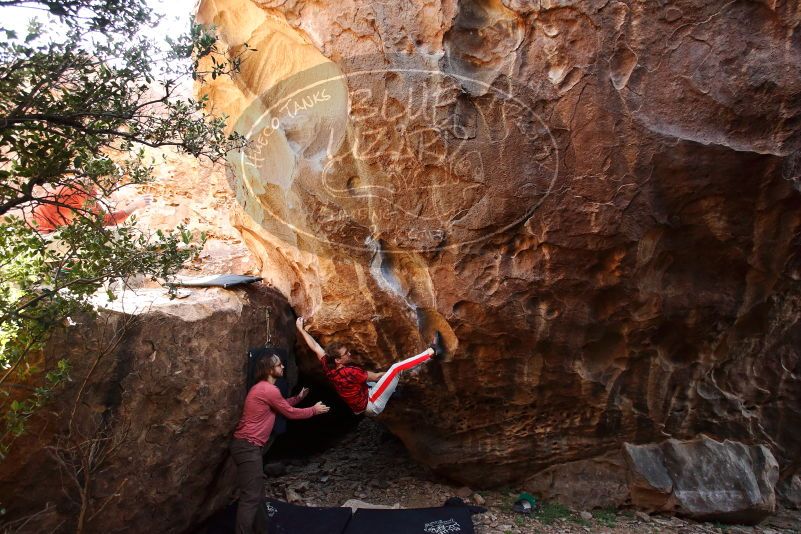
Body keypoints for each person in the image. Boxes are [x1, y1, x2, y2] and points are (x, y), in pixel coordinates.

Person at [230, 352, 330, 534]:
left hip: (248, 447)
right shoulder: (268, 390)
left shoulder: (264, 389)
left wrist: (299, 397)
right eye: (278, 365)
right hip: (247, 446)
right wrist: (314, 410)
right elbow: (290, 413)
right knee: (251, 498)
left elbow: (282, 404)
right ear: (269, 369)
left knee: (257, 496)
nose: (282, 367)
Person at [295, 316, 445, 416]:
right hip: (372, 404)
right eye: (346, 354)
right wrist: (392, 376)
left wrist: (301, 330)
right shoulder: (351, 371)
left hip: (360, 402)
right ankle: (432, 351)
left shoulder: (328, 366)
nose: (350, 354)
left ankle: (393, 392)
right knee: (395, 369)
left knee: (371, 380)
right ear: (338, 361)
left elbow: (315, 346)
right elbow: (378, 376)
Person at [28, 183, 152, 232]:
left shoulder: (74, 184)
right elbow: (107, 220)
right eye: (114, 183)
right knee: (104, 234)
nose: (116, 186)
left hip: (33, 227)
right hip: (44, 233)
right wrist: (135, 205)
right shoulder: (86, 191)